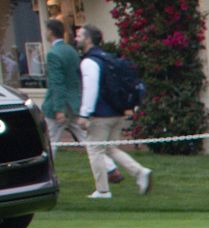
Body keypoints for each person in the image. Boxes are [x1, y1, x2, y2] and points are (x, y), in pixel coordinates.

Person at [75, 25, 151, 199]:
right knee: (110, 148)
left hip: (101, 115)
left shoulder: (89, 62)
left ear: (88, 39)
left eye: (79, 35)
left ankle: (102, 190)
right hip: (117, 111)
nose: (76, 38)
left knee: (95, 150)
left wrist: (84, 114)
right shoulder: (107, 58)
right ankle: (140, 172)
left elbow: (90, 89)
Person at [41, 20, 84, 153]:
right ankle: (108, 163)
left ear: (50, 32)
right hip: (74, 103)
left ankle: (47, 167)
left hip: (58, 106)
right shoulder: (71, 51)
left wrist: (59, 108)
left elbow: (57, 82)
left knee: (50, 142)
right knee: (87, 140)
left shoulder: (53, 54)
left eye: (46, 30)